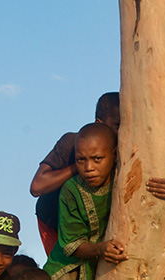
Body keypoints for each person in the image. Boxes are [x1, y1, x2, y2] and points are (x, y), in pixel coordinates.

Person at [43, 123, 129, 280]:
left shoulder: (125, 180)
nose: (89, 168)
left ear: (114, 155)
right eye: (81, 160)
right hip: (69, 273)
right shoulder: (71, 190)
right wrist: (101, 248)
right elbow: (71, 244)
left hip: (103, 267)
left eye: (97, 159)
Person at [30, 92, 122, 256]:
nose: (121, 131)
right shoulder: (72, 143)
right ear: (99, 123)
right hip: (54, 222)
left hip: (92, 225)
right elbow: (37, 186)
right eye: (117, 125)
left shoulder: (125, 148)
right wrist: (82, 164)